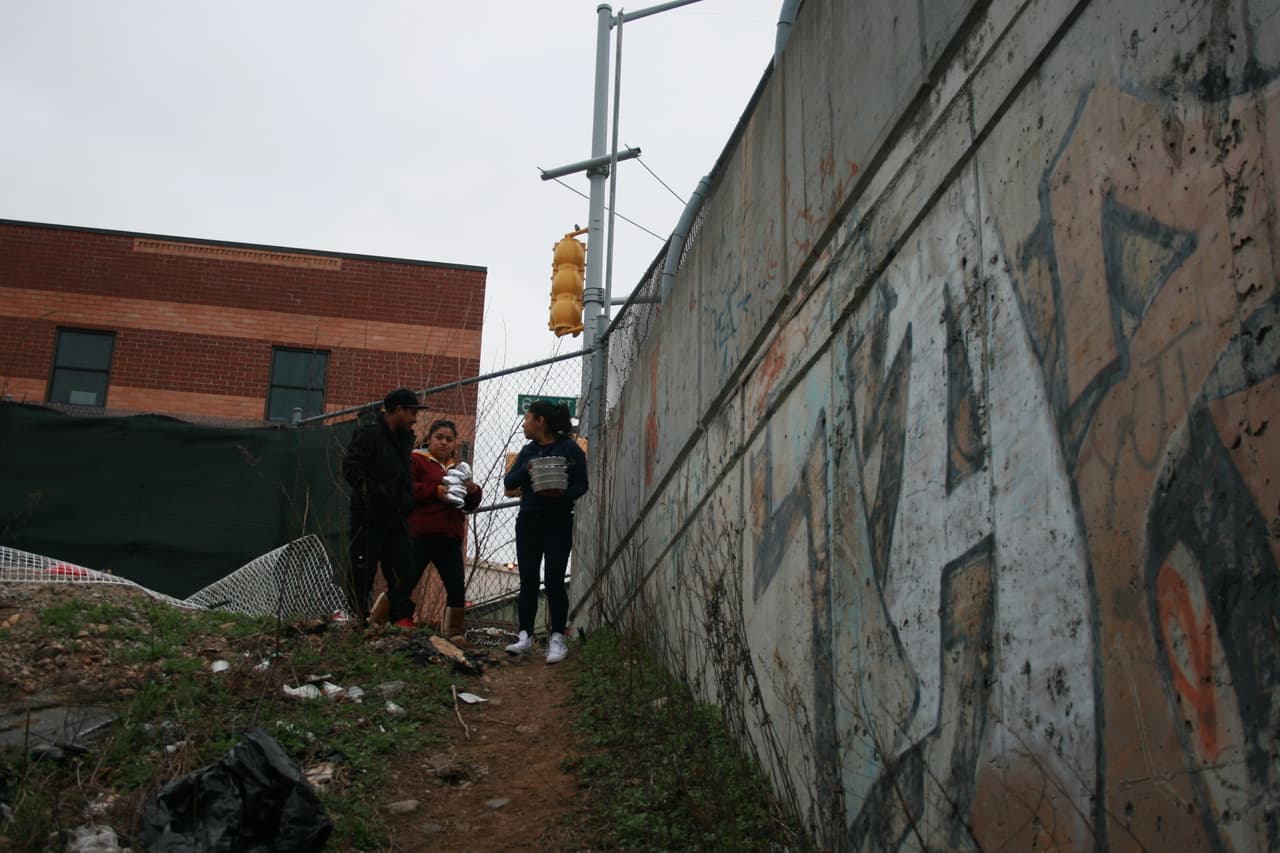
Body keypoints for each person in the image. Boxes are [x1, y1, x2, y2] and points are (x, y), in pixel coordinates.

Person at [502, 400, 587, 664]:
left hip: (558, 522)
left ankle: (557, 639)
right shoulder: (528, 451)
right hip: (528, 520)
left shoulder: (569, 448)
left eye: (527, 419)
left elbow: (581, 484)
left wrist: (562, 495)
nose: (524, 425)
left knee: (554, 580)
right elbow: (509, 481)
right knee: (528, 580)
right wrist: (526, 470)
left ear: (540, 421)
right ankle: (524, 636)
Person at [342, 387, 427, 626]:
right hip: (368, 516)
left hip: (396, 517)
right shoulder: (369, 435)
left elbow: (404, 476)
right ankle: (357, 619)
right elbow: (351, 469)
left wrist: (407, 500)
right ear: (398, 410)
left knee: (403, 569)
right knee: (362, 571)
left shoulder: (404, 440)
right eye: (412, 412)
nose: (414, 419)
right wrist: (376, 493)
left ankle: (399, 619)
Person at [409, 418, 482, 637]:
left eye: (449, 439)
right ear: (429, 439)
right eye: (439, 437)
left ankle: (454, 632)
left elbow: (469, 505)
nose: (443, 442)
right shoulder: (416, 460)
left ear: (454, 443)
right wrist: (435, 491)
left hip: (450, 536)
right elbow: (407, 488)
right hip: (421, 533)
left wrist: (473, 490)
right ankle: (392, 619)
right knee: (406, 579)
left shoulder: (458, 468)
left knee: (456, 584)